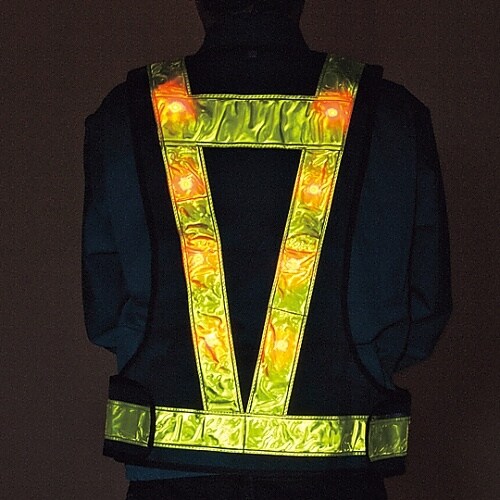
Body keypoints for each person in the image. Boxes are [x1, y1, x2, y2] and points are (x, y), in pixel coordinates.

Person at [81, 0, 452, 498]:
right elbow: (423, 310)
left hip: (171, 477)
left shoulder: (124, 111)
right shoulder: (393, 111)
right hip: (339, 477)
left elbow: (105, 311)